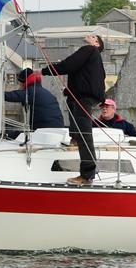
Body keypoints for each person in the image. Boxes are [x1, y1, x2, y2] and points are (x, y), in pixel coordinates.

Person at [42, 33, 106, 186]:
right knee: (79, 129)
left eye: (92, 36)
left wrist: (44, 71)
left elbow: (68, 65)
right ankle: (74, 139)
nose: (88, 36)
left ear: (96, 43)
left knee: (85, 134)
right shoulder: (95, 58)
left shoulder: (89, 50)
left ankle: (87, 175)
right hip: (83, 97)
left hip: (83, 97)